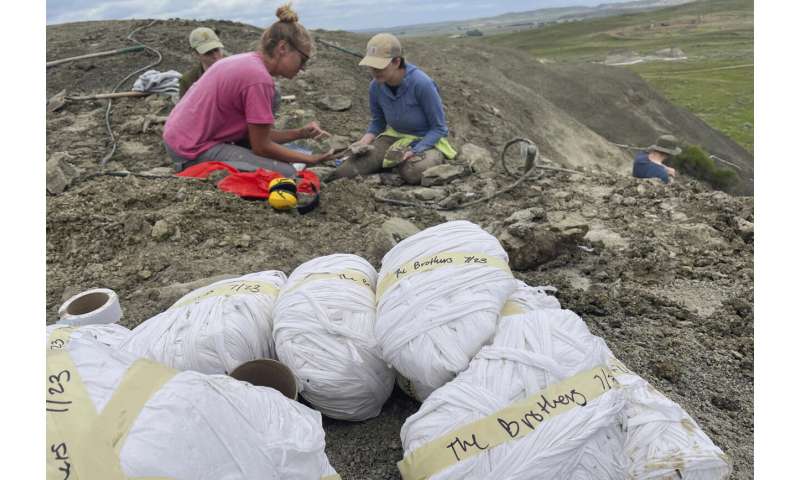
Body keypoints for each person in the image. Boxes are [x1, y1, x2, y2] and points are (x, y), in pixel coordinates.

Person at [163, 5, 332, 177]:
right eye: (302, 60)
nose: (302, 68)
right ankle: (191, 168)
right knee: (287, 173)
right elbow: (261, 146)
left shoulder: (249, 61)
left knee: (275, 103)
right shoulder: (259, 79)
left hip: (182, 139)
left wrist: (300, 133)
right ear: (282, 48)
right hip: (190, 150)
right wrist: (310, 159)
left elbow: (255, 137)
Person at [329, 33, 457, 184]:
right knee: (344, 172)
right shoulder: (375, 87)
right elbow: (378, 122)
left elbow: (439, 128)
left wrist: (414, 151)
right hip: (394, 137)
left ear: (396, 61)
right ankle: (389, 166)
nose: (374, 71)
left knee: (413, 173)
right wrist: (364, 141)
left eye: (379, 66)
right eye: (371, 66)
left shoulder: (422, 84)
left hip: (425, 139)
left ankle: (421, 161)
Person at [179, 27, 225, 98]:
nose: (215, 56)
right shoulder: (188, 81)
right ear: (195, 54)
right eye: (208, 53)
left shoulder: (237, 72)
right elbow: (184, 108)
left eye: (216, 50)